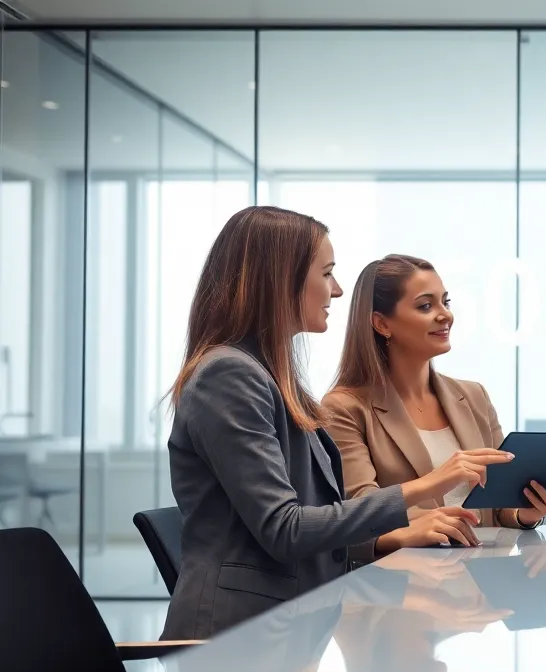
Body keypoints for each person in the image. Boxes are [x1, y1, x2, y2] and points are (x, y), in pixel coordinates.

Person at [161, 208, 512, 641]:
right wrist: (427, 485)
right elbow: (286, 529)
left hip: (289, 626)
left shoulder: (272, 378)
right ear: (280, 280)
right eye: (326, 273)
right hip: (236, 640)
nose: (339, 289)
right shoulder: (229, 375)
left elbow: (318, 523)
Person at [323, 255, 546, 556]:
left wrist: (524, 514)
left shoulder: (474, 396)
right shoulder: (344, 407)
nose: (445, 315)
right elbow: (358, 514)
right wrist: (432, 488)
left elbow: (498, 507)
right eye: (426, 306)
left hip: (484, 576)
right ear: (382, 323)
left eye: (445, 302)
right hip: (405, 579)